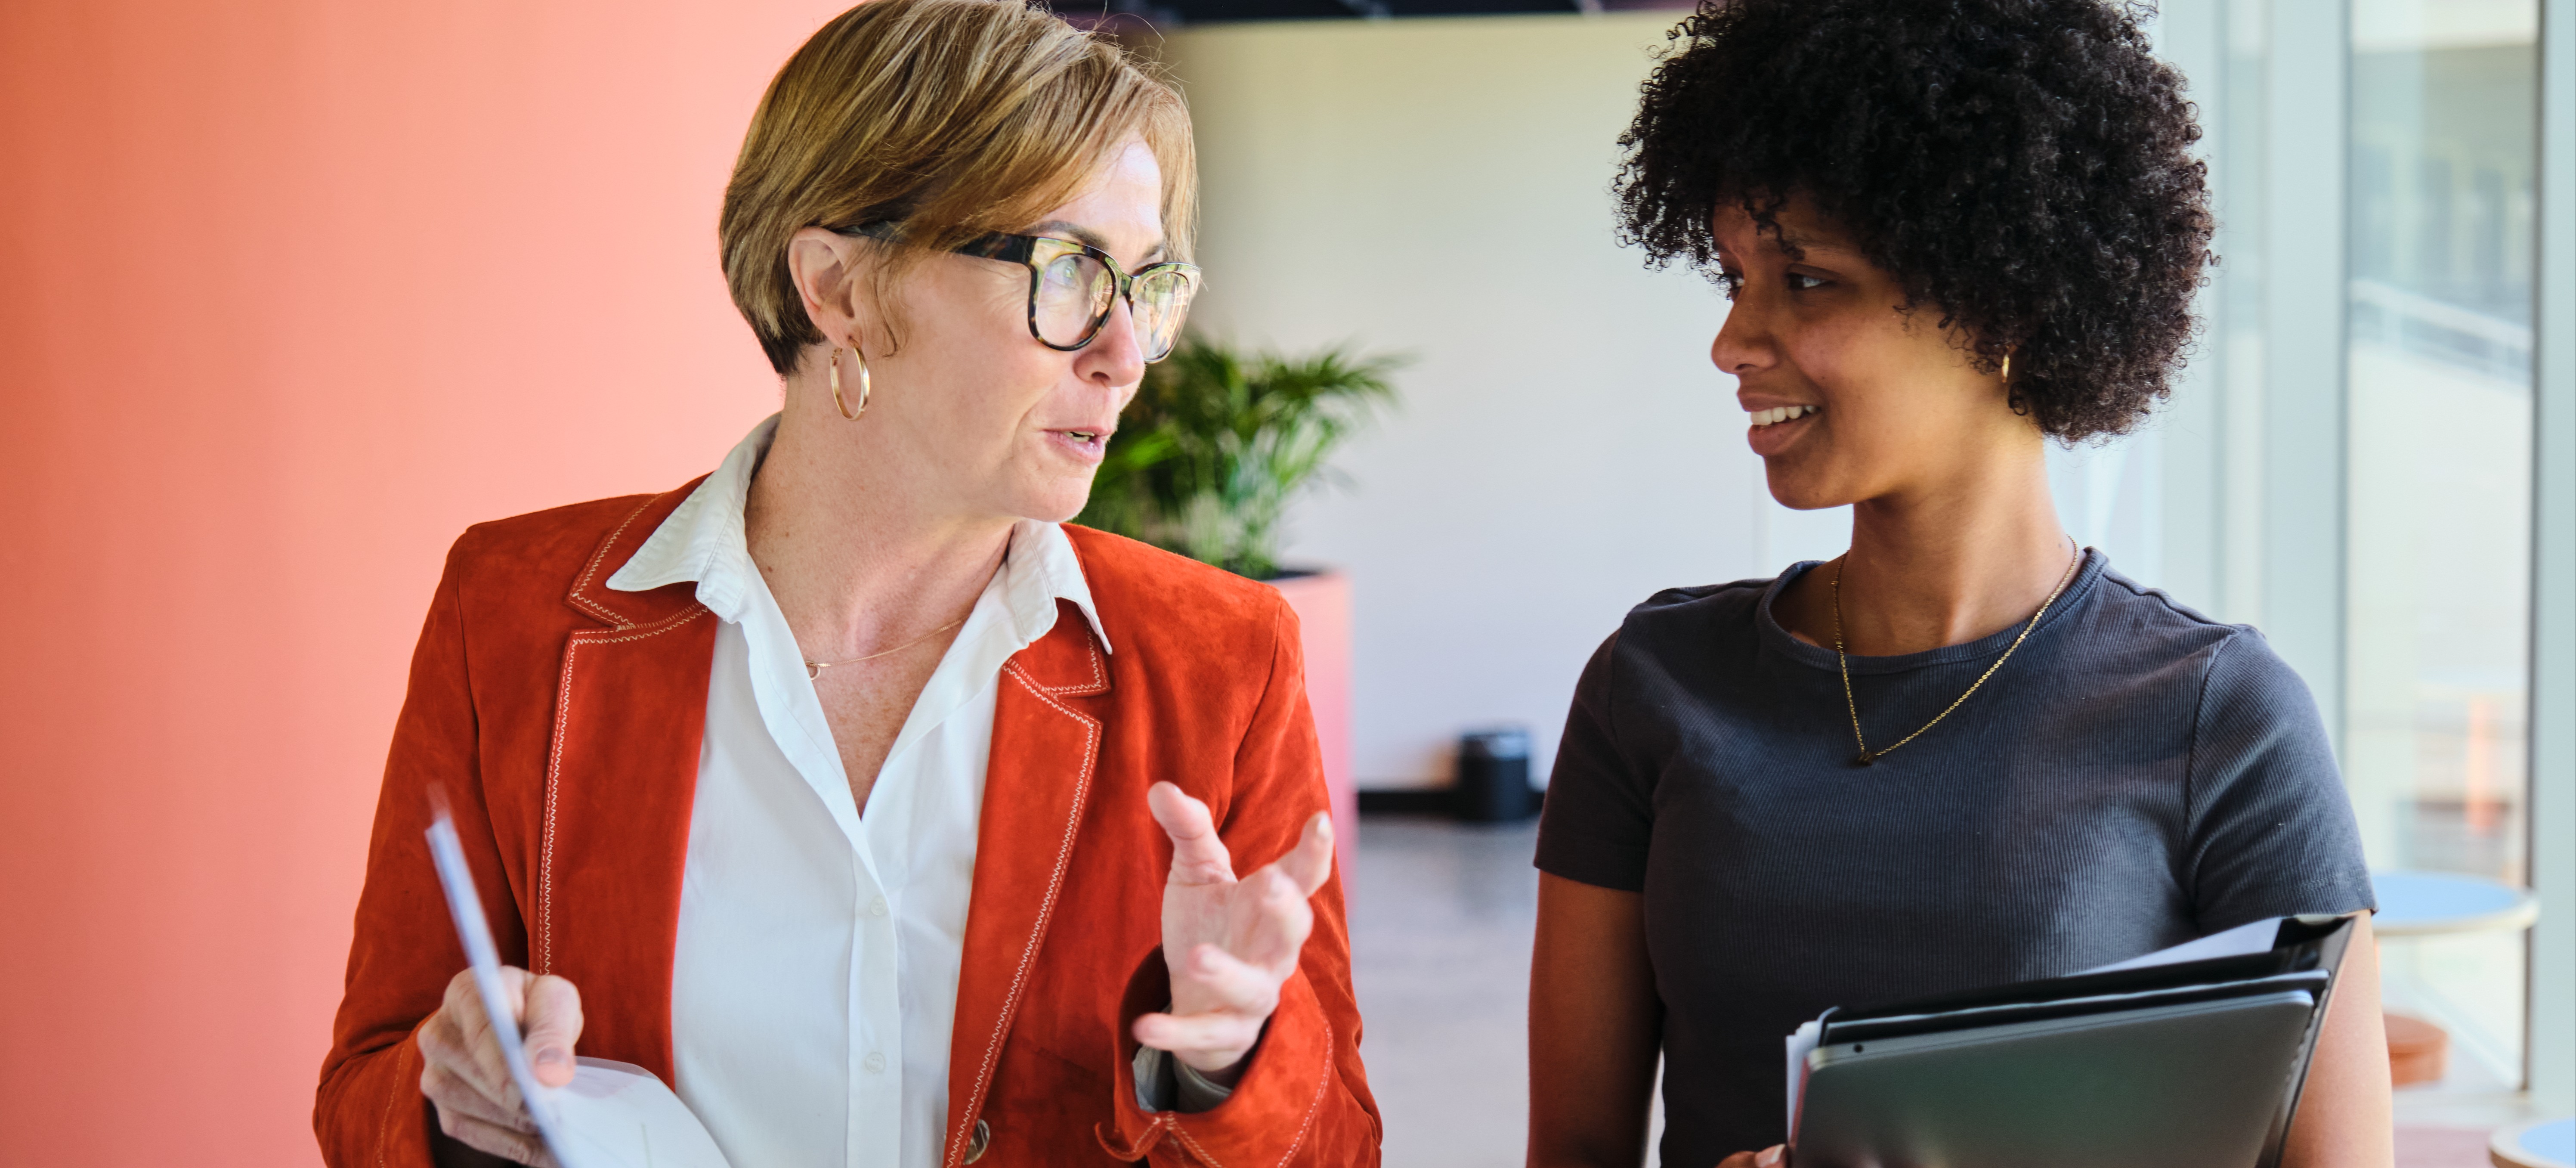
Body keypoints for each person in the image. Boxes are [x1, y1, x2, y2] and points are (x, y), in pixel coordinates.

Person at [313, 3, 1379, 1165]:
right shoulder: (512, 613)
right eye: (1070, 272)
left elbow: (1342, 1148)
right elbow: (369, 1086)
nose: (1122, 352)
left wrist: (1224, 1062)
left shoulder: (1221, 660)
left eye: (1147, 286)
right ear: (839, 290)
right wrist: (456, 1106)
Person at [1524, 2, 2392, 1166]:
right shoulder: (1653, 685)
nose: (1734, 339)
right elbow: (1573, 1147)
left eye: (1806, 281)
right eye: (1735, 276)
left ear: (2002, 306)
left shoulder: (2215, 717)